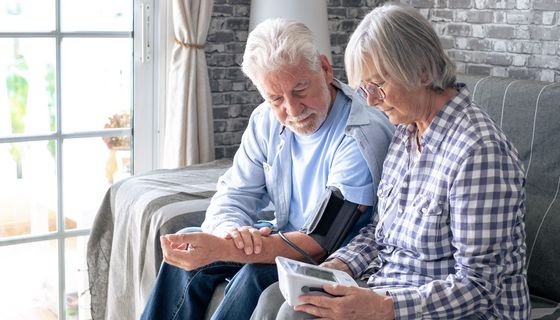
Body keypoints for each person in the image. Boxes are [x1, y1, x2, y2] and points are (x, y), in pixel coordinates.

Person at [251, 3, 530, 320]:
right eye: (364, 88)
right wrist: (335, 267)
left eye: (378, 85)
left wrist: (384, 308)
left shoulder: (479, 153)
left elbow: (479, 287)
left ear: (421, 70)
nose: (369, 101)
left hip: (455, 311)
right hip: (390, 288)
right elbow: (378, 234)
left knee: (297, 315)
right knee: (276, 296)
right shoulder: (406, 132)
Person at [140, 18, 394, 320]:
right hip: (284, 239)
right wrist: (231, 234)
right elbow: (234, 193)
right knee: (187, 243)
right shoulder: (265, 120)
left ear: (325, 70)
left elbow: (317, 243)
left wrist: (228, 250)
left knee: (255, 274)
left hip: (333, 256)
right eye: (276, 98)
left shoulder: (361, 133)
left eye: (301, 90)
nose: (293, 109)